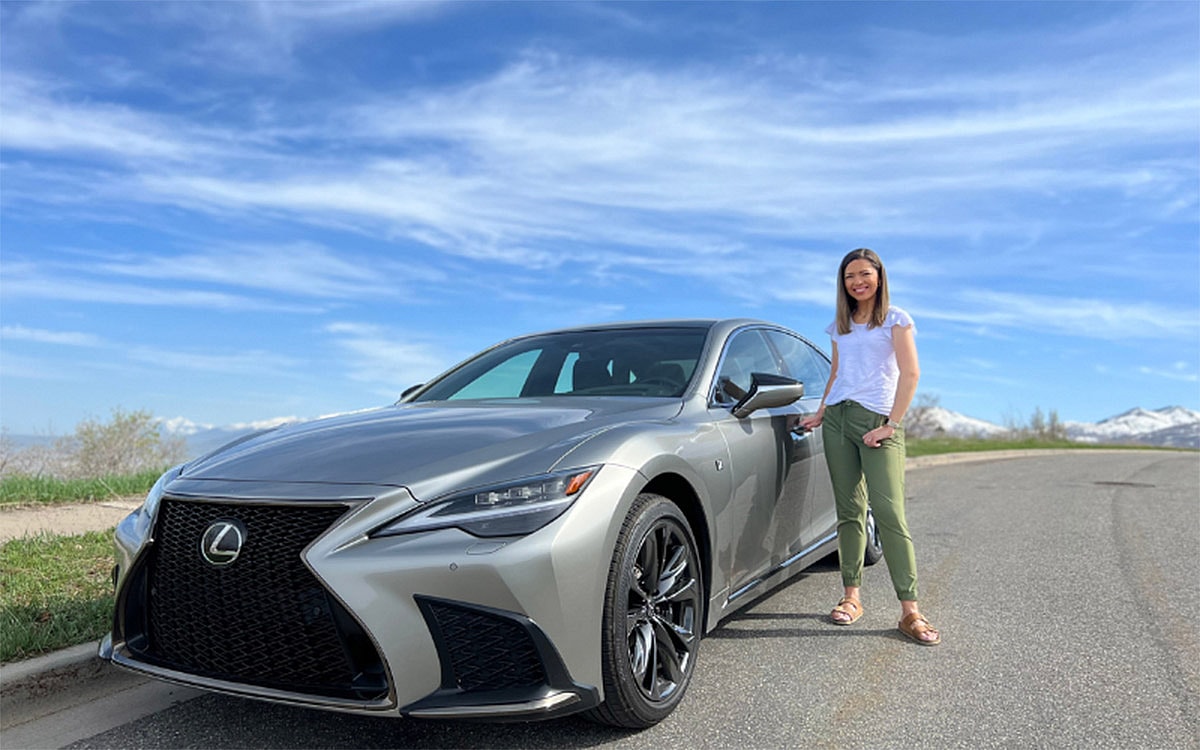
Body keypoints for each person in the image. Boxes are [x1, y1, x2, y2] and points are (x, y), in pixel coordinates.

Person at [799, 248, 940, 646]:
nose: (857, 282)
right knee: (849, 512)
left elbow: (911, 373)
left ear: (879, 276)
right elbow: (837, 373)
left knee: (891, 515)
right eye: (849, 277)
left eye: (864, 274)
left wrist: (891, 425)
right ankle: (851, 597)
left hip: (877, 422)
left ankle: (910, 612)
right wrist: (822, 412)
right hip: (839, 420)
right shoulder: (839, 326)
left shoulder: (896, 319)